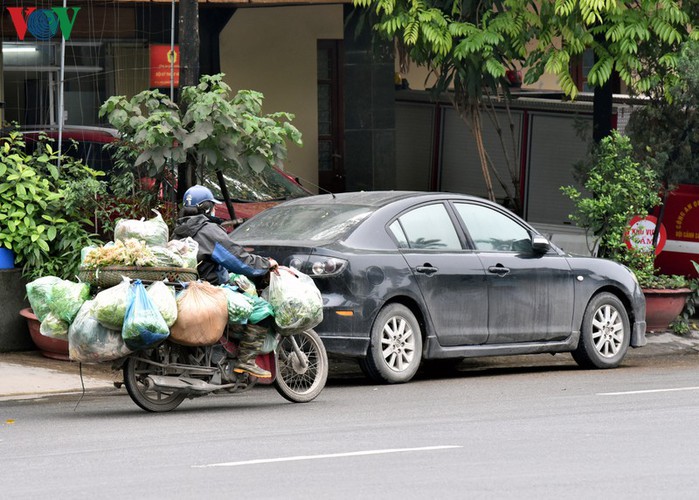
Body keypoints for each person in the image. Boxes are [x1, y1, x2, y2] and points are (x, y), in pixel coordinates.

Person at [172, 185, 277, 379]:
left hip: (187, 290)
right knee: (263, 311)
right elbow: (237, 259)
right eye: (212, 206)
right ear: (205, 207)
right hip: (210, 292)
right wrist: (265, 264)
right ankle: (246, 361)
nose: (214, 210)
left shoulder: (179, 230)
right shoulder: (208, 230)